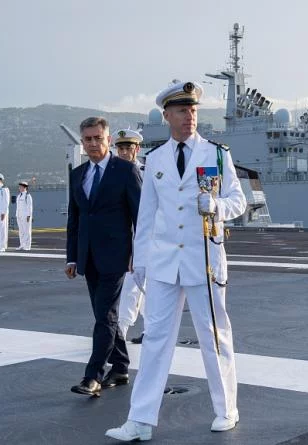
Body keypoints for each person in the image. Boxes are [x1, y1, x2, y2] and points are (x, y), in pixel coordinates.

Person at [106, 81, 247, 441]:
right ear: (167, 115)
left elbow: (238, 201)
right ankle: (139, 420)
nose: (190, 117)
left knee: (214, 336)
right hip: (166, 263)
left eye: (194, 110)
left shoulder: (216, 154)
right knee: (154, 340)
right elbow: (147, 216)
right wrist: (140, 263)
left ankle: (226, 409)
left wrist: (217, 206)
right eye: (182, 111)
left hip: (205, 260)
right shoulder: (154, 160)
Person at [65, 117, 141, 397]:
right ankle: (120, 367)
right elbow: (75, 220)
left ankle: (92, 376)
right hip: (87, 256)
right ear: (82, 143)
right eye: (88, 139)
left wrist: (138, 253)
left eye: (99, 138)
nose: (94, 143)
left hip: (116, 255)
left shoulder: (126, 171)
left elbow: (140, 216)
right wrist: (71, 257)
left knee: (105, 317)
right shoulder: (78, 174)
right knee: (103, 315)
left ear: (108, 140)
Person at [113, 127, 147, 343]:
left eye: (129, 147)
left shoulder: (148, 173)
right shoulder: (111, 174)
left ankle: (123, 330)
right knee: (132, 285)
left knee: (141, 286)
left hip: (145, 238)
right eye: (121, 148)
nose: (125, 152)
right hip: (122, 239)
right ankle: (125, 329)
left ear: (137, 149)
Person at [15, 181, 33, 251]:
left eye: (21, 186)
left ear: (25, 187)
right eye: (19, 186)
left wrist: (29, 215)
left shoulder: (27, 196)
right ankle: (22, 244)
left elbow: (30, 206)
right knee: (21, 231)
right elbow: (18, 206)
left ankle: (27, 246)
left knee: (27, 231)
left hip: (26, 216)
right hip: (19, 215)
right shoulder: (19, 195)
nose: (20, 188)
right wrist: (17, 215)